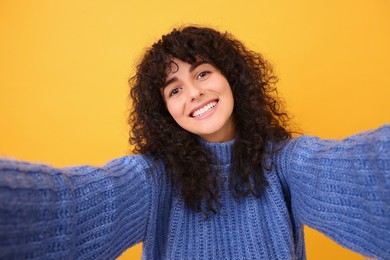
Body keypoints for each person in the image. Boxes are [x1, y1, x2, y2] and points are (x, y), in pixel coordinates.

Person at [0, 26, 389, 260]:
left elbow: (362, 175)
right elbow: (70, 206)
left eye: (203, 72)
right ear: (164, 109)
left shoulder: (285, 163)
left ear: (231, 78)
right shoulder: (152, 180)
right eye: (174, 89)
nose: (195, 93)